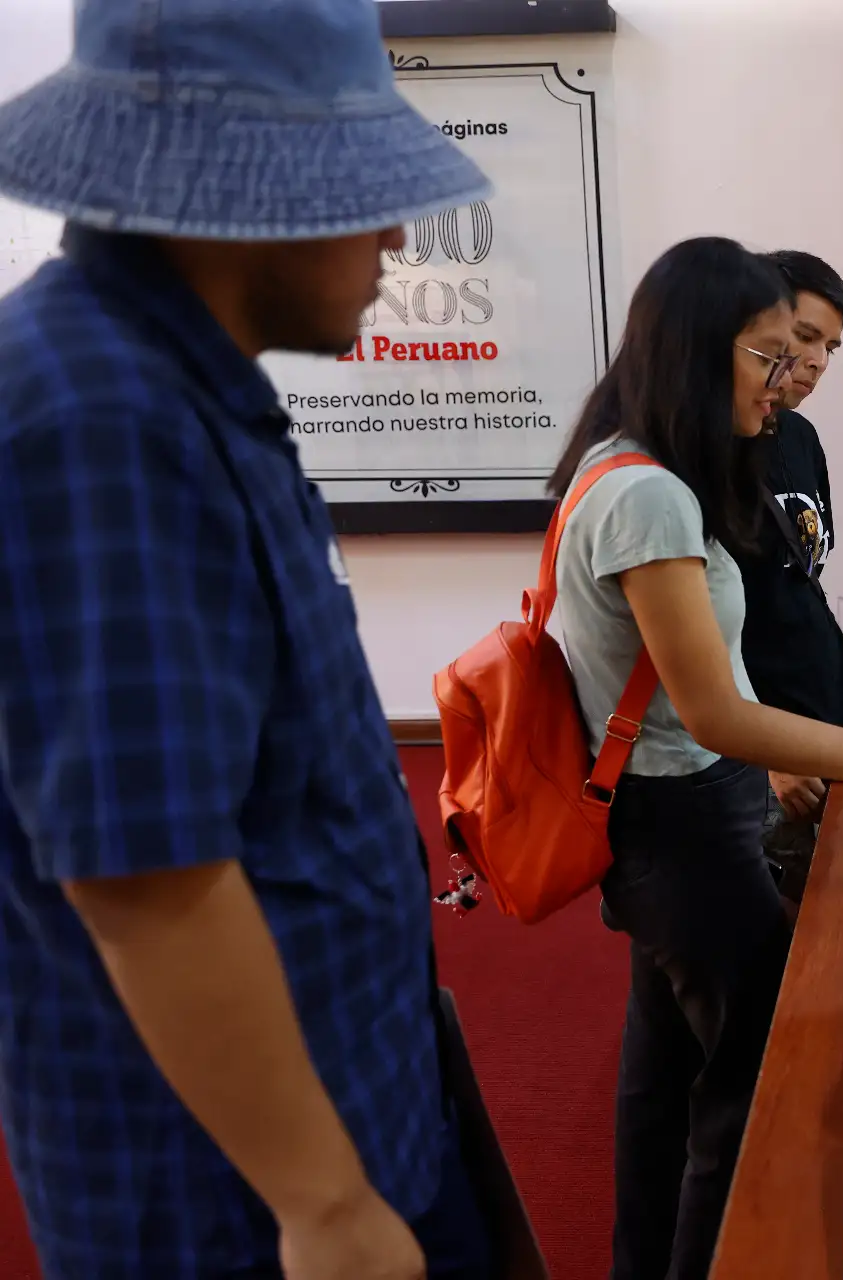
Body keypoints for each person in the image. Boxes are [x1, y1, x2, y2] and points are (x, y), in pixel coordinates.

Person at [0, 1, 502, 1278]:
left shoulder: (181, 385)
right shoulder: (96, 411)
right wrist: (325, 1202)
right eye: (362, 189)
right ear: (240, 190)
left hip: (335, 1117)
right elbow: (148, 879)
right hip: (232, 1198)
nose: (395, 231)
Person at [547, 235, 843, 1280]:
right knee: (743, 1101)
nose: (786, 379)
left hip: (677, 823)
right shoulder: (648, 494)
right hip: (684, 827)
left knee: (670, 1073)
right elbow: (713, 709)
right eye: (770, 352)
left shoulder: (642, 469)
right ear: (702, 349)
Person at [739, 250, 843, 905]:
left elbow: (800, 573)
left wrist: (842, 655)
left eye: (832, 348)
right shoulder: (707, 449)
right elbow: (695, 636)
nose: (818, 362)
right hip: (760, 759)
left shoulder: (798, 437)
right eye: (807, 338)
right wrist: (768, 762)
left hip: (821, 731)